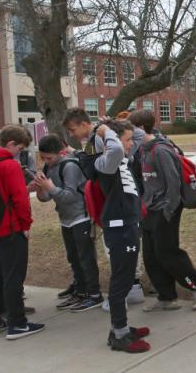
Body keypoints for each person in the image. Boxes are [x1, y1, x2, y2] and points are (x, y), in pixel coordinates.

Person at [63, 110, 150, 353]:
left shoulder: (116, 153)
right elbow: (117, 149)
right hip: (120, 227)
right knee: (121, 279)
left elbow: (138, 136)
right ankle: (119, 334)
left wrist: (109, 126)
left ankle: (121, 328)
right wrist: (106, 132)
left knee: (125, 275)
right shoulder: (105, 162)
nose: (132, 144)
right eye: (127, 139)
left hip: (128, 222)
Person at [0, 125, 44, 340]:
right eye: (20, 148)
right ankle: (17, 324)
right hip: (7, 230)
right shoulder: (9, 166)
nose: (19, 153)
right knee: (12, 277)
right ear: (11, 143)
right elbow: (20, 202)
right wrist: (25, 226)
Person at [138, 111, 196, 313]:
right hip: (150, 209)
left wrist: (168, 210)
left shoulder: (161, 150)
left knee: (167, 253)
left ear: (141, 128)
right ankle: (166, 296)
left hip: (165, 209)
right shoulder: (141, 150)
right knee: (151, 256)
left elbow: (173, 183)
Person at [35, 134, 103, 312]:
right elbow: (47, 197)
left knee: (85, 258)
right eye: (43, 157)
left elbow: (70, 196)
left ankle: (94, 294)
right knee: (73, 257)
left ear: (61, 152)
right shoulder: (49, 167)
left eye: (49, 157)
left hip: (81, 217)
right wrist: (42, 190)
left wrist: (51, 188)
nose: (46, 161)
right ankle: (80, 291)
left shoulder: (70, 166)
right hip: (65, 219)